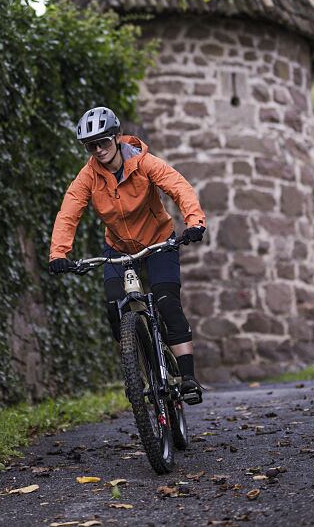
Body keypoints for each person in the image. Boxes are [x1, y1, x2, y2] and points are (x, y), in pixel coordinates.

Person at [49, 106, 208, 402]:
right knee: (114, 305)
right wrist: (58, 253)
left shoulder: (145, 163)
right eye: (91, 145)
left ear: (117, 137)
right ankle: (135, 367)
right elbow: (68, 212)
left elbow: (179, 187)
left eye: (104, 142)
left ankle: (188, 378)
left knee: (167, 302)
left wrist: (194, 222)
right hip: (119, 249)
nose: (98, 150)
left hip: (159, 241)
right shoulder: (88, 178)